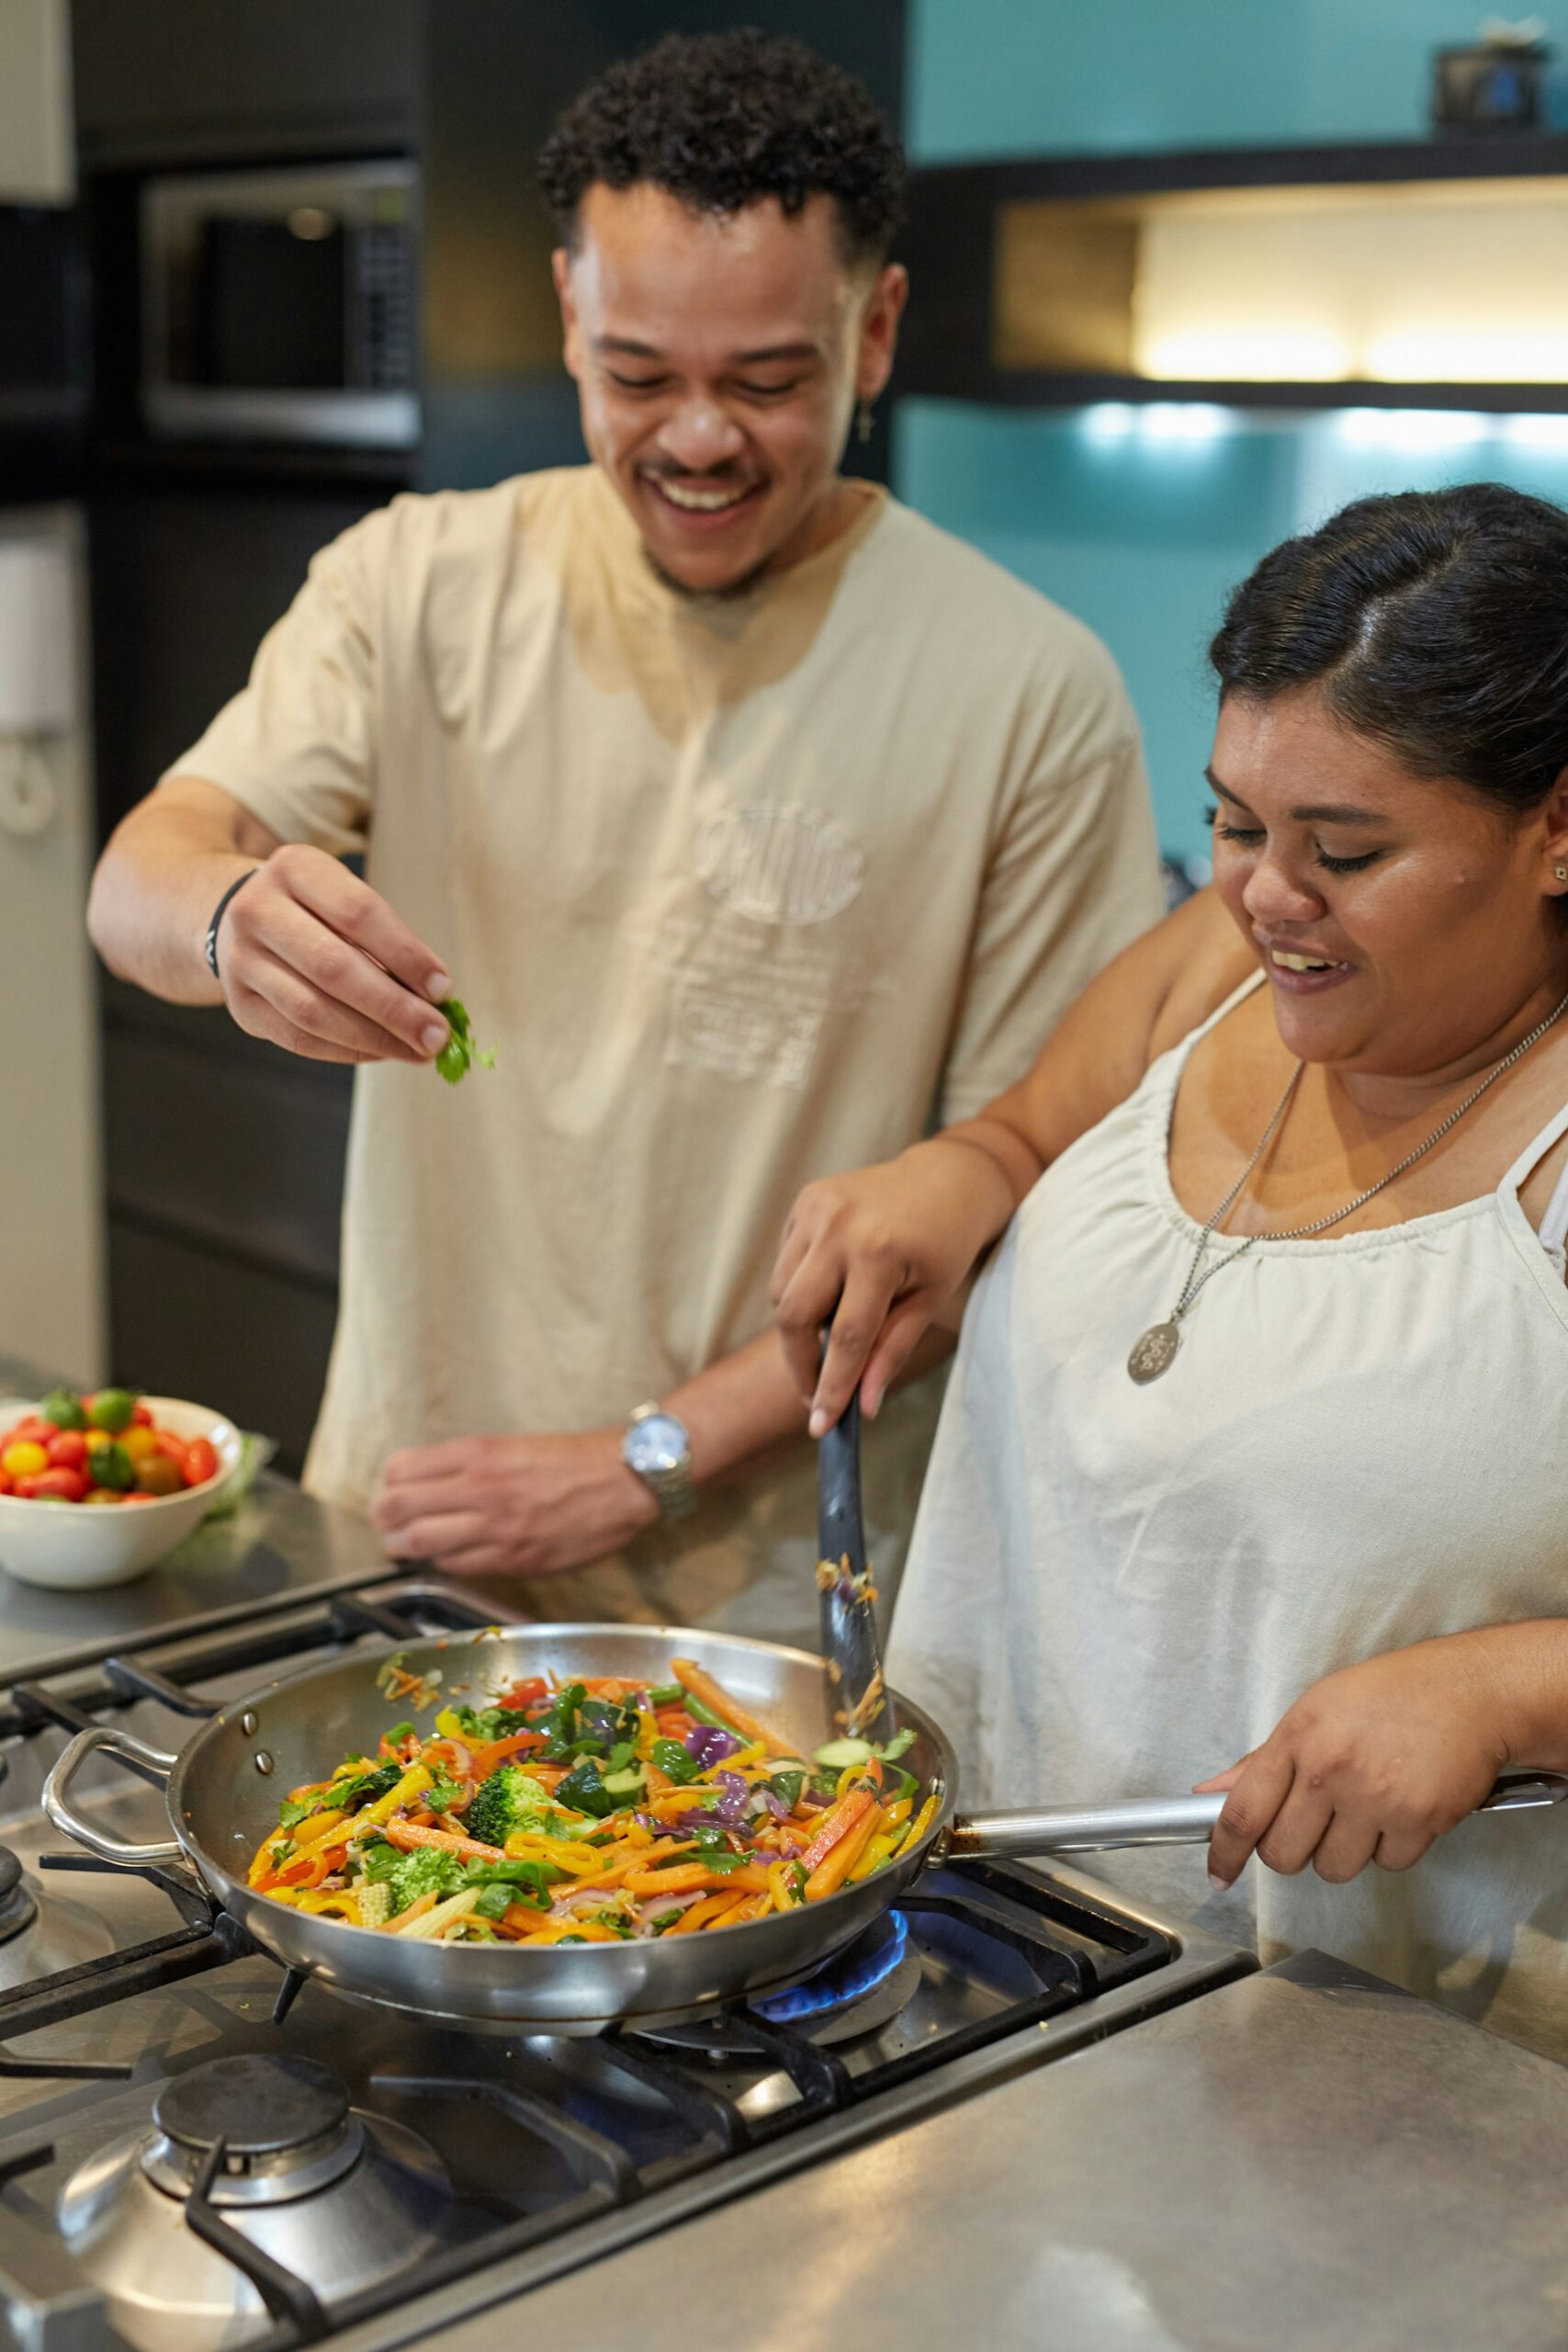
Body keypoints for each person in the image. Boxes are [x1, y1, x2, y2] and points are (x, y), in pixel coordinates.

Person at [85, 31, 1161, 1645]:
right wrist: (230, 918)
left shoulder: (1031, 689)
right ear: (570, 314)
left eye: (769, 381)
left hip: (783, 1596)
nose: (700, 439)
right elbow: (146, 869)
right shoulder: (418, 582)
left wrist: (641, 1459)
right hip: (413, 1526)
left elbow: (1004, 1189)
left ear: (874, 333)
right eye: (640, 375)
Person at [773, 483, 1568, 2055]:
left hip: (1374, 2060)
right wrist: (953, 1177)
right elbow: (1018, 1137)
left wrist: (1508, 1690)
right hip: (984, 1942)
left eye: (1345, 848)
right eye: (1234, 821)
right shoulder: (1224, 965)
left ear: (1557, 826)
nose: (1270, 893)